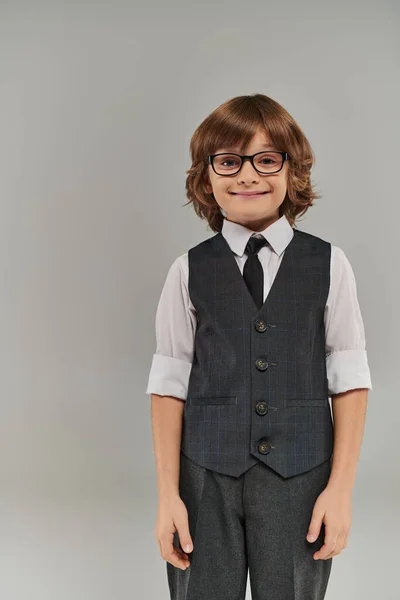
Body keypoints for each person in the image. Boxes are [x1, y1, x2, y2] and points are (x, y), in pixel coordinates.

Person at [145, 93, 372, 600]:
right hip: (204, 478)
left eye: (266, 160)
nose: (248, 175)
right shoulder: (187, 271)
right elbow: (168, 386)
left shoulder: (330, 265)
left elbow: (350, 381)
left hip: (301, 477)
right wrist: (168, 497)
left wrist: (340, 490)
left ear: (293, 171)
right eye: (229, 161)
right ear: (207, 177)